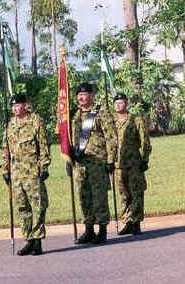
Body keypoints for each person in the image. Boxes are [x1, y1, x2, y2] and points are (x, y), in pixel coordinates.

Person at [1, 93, 51, 256]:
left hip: (32, 170)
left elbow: (43, 144)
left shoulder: (35, 121)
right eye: (13, 106)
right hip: (16, 173)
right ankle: (28, 239)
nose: (15, 109)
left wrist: (44, 166)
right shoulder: (10, 124)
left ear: (25, 105)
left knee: (38, 205)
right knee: (22, 207)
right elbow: (6, 149)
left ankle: (37, 241)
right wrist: (5, 169)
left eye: (18, 105)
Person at [69, 82, 117, 245]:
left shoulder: (101, 113)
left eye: (84, 94)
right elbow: (69, 139)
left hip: (97, 162)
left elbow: (111, 138)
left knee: (99, 196)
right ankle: (89, 229)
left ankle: (102, 230)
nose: (81, 98)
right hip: (80, 163)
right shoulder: (74, 115)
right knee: (83, 196)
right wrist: (68, 159)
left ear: (91, 95)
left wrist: (110, 160)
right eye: (79, 95)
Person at [113, 92, 152, 235]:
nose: (118, 105)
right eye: (116, 103)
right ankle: (127, 222)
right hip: (118, 165)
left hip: (134, 163)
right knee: (124, 195)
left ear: (127, 103)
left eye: (121, 102)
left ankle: (136, 223)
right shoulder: (111, 122)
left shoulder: (136, 120)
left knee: (136, 193)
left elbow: (145, 141)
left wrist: (145, 159)